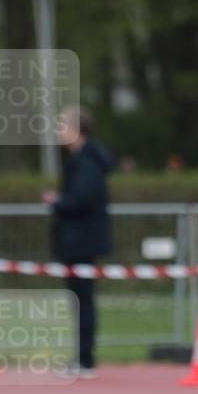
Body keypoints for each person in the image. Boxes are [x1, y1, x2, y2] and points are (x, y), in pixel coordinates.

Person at [42, 106, 115, 379]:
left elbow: (83, 199)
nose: (59, 130)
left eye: (63, 125)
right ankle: (83, 358)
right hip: (76, 241)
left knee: (82, 300)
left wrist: (58, 203)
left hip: (81, 242)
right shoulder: (81, 160)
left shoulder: (86, 162)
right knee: (79, 300)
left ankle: (85, 360)